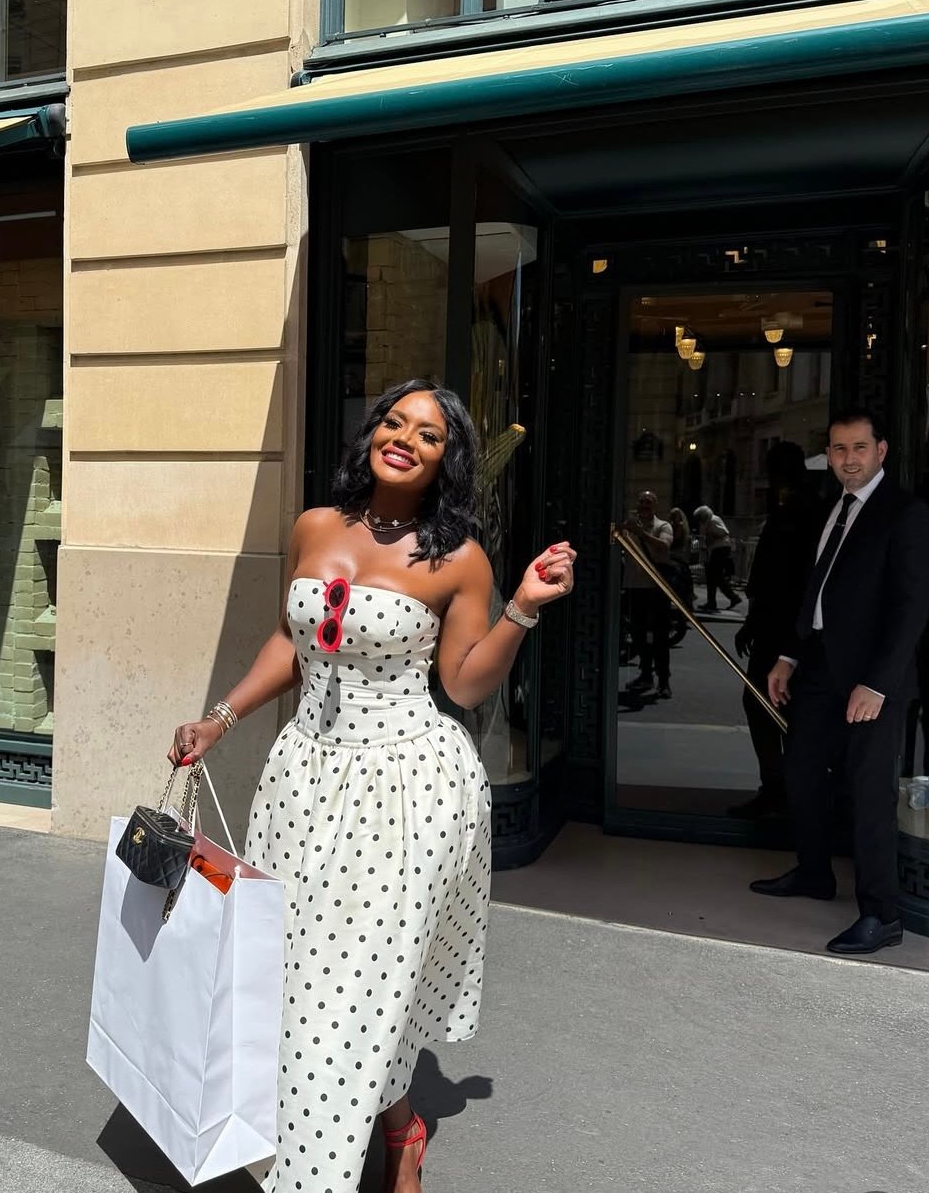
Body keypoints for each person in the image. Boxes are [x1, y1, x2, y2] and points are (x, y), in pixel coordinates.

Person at [167, 379, 575, 1192]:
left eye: (429, 435)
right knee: (296, 984)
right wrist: (221, 717)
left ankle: (310, 1176)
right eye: (395, 421)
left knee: (349, 993)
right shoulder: (315, 526)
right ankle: (401, 1126)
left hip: (403, 793)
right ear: (373, 432)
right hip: (300, 784)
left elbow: (462, 685)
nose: (405, 439)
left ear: (447, 459)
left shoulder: (456, 558)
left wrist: (521, 608)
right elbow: (293, 639)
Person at [751, 410, 929, 957]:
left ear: (881, 450)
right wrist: (788, 654)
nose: (849, 459)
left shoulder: (906, 514)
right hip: (818, 669)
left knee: (868, 792)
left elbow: (911, 608)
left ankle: (882, 914)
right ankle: (814, 873)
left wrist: (877, 684)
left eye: (859, 447)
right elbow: (814, 593)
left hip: (873, 680)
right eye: (838, 449)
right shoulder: (829, 510)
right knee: (801, 770)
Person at [730, 442, 821, 819]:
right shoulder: (791, 510)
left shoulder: (804, 513)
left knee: (773, 706)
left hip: (788, 627)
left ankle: (784, 788)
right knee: (766, 705)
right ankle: (780, 787)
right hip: (774, 624)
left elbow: (790, 578)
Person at [621, 491, 673, 700]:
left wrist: (641, 534)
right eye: (641, 501)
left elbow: (664, 545)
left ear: (655, 506)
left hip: (656, 588)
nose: (644, 505)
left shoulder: (663, 526)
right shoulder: (629, 526)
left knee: (660, 636)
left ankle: (663, 680)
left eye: (648, 502)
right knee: (638, 634)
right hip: (634, 587)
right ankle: (645, 674)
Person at [693, 504, 741, 611]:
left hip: (719, 549)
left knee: (715, 576)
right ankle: (714, 601)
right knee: (713, 576)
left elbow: (723, 532)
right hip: (716, 549)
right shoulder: (709, 521)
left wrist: (711, 537)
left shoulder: (713, 520)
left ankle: (731, 597)